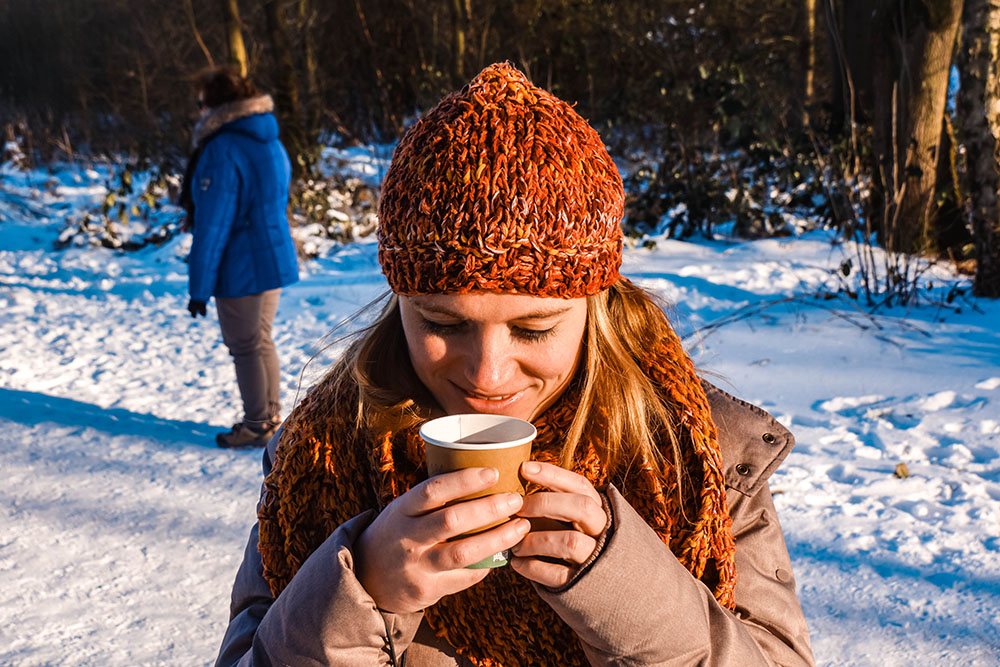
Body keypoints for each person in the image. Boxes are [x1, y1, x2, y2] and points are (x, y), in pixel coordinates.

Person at [215, 63, 815, 666]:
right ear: (399, 303)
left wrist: (630, 592)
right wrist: (360, 591)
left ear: (594, 305)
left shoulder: (697, 454)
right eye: (443, 325)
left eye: (534, 329)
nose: (487, 375)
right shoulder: (317, 458)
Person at [180, 67, 299, 449]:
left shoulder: (221, 148)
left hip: (241, 265)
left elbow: (212, 225)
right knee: (260, 340)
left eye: (201, 103)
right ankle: (269, 417)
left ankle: (256, 425)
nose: (197, 111)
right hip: (272, 255)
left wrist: (199, 289)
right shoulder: (269, 140)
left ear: (216, 105)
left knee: (245, 345)